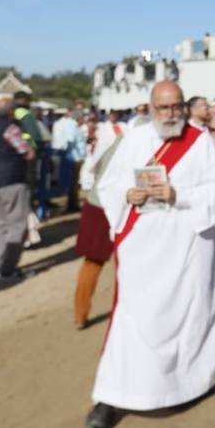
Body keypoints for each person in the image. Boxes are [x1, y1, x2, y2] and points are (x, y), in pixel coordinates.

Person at [85, 81, 215, 428]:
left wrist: (179, 194)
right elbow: (109, 185)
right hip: (143, 247)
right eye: (163, 107)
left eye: (176, 106)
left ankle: (188, 384)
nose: (171, 114)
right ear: (150, 108)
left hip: (188, 246)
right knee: (132, 319)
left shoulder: (200, 141)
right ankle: (113, 396)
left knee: (191, 318)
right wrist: (127, 194)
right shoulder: (133, 140)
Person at [72, 109, 125, 329]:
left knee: (95, 263)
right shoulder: (123, 139)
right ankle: (81, 313)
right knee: (96, 262)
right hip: (105, 206)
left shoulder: (114, 137)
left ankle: (81, 314)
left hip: (102, 204)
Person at [0, 95, 37, 281]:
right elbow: (27, 153)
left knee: (1, 224)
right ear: (11, 112)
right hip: (12, 180)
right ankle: (8, 269)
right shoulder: (10, 128)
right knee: (17, 225)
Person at [51, 109, 85, 212]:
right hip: (75, 157)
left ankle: (73, 203)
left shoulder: (73, 126)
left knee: (73, 182)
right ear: (79, 118)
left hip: (75, 156)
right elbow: (70, 140)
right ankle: (72, 204)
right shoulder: (73, 126)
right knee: (73, 182)